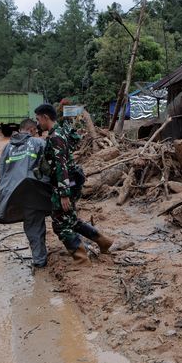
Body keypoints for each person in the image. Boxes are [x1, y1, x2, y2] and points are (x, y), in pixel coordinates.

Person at [34, 103, 114, 265]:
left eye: (38, 119)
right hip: (71, 183)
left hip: (65, 185)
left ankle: (81, 258)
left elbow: (61, 165)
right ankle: (103, 241)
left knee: (60, 225)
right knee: (70, 220)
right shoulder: (60, 132)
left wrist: (64, 194)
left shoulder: (56, 137)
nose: (38, 123)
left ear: (45, 117)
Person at [0, 118, 52, 267]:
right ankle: (43, 260)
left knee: (31, 223)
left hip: (14, 193)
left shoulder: (7, 147)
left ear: (21, 130)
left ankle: (39, 259)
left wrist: (1, 194)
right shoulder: (38, 143)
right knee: (48, 220)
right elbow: (50, 165)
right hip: (33, 189)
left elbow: (1, 172)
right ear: (32, 130)